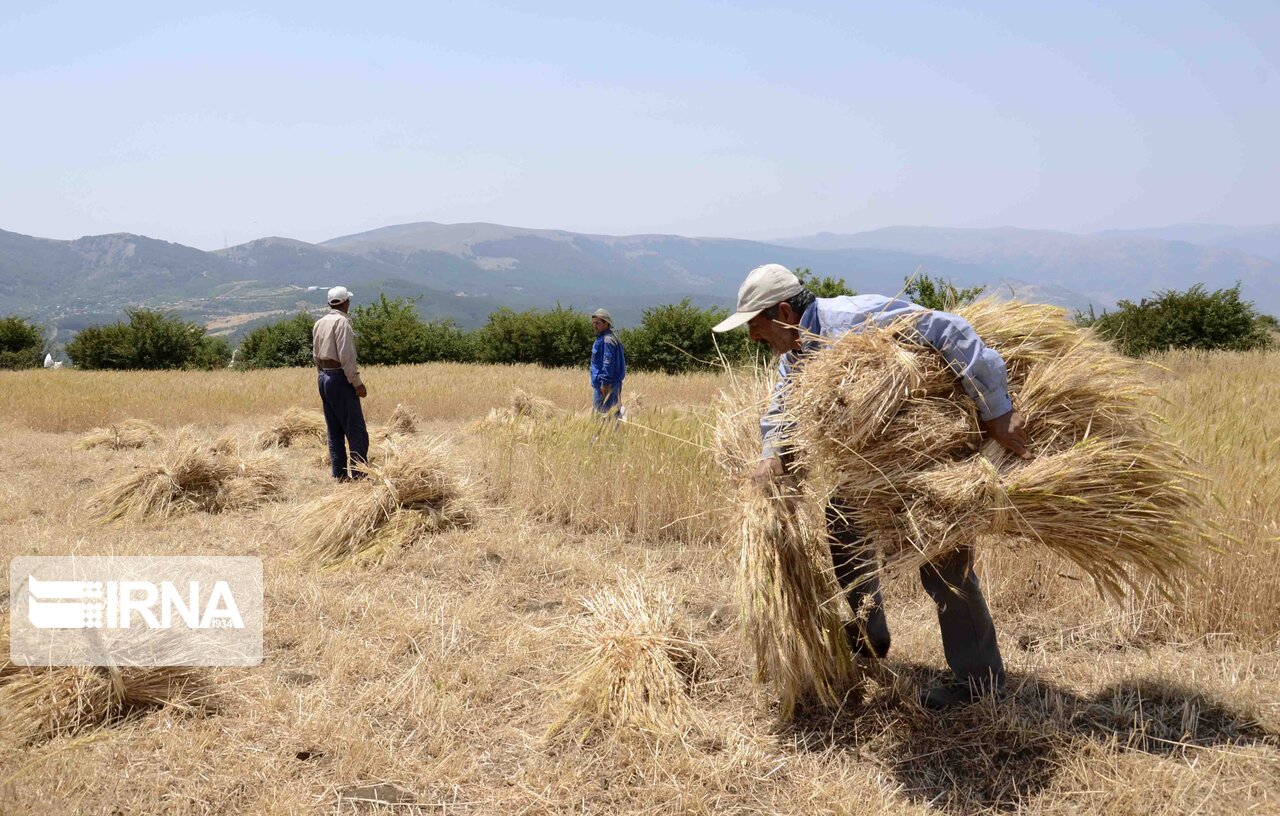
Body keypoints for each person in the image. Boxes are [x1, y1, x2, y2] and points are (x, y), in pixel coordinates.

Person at [712, 264, 1032, 711]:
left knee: (941, 561)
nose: (753, 337)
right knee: (841, 522)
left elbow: (950, 329)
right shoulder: (800, 352)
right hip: (872, 469)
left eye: (756, 326)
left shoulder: (853, 321)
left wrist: (996, 410)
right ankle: (868, 635)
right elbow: (781, 406)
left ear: (784, 311)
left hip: (924, 457)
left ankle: (979, 681)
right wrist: (772, 454)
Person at [312, 286, 370, 481]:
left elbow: (315, 356)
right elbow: (347, 357)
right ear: (346, 303)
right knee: (356, 430)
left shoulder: (319, 323)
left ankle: (339, 475)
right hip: (340, 378)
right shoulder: (342, 323)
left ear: (330, 303)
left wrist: (322, 378)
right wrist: (357, 383)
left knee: (334, 429)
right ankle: (360, 474)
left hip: (323, 377)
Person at [589, 308, 626, 417]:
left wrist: (605, 383)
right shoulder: (608, 338)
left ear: (606, 323)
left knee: (602, 416)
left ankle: (606, 434)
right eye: (594, 323)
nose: (595, 325)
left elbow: (608, 362)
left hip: (606, 385)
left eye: (598, 323)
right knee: (611, 415)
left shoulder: (607, 340)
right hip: (611, 383)